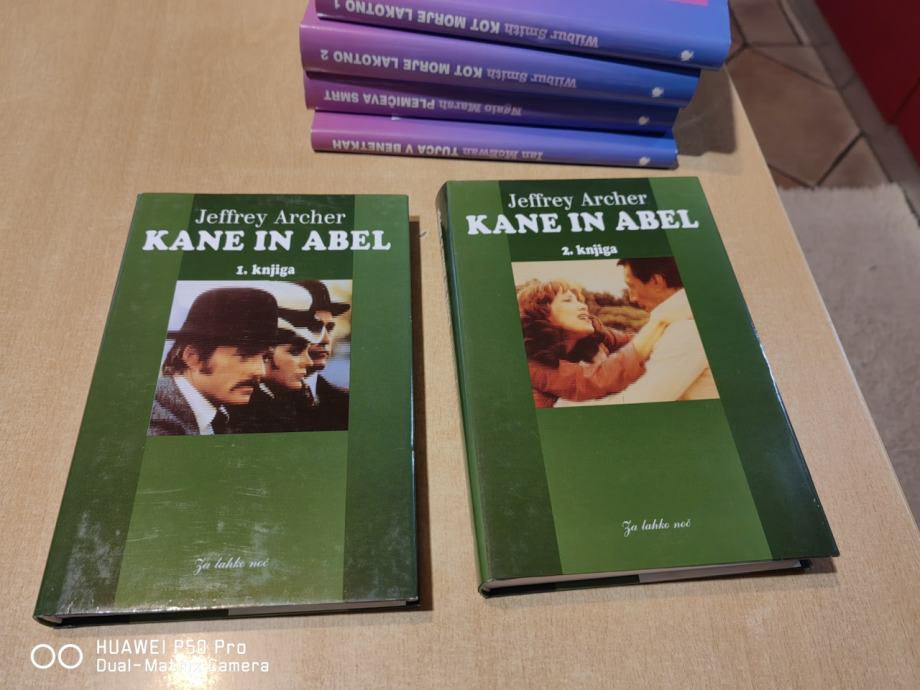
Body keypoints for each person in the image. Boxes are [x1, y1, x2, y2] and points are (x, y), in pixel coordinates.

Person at [559, 257, 716, 407]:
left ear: (657, 282)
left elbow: (639, 401)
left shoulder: (684, 331)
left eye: (632, 286)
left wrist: (565, 405)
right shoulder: (679, 320)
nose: (632, 298)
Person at [519, 280, 674, 408]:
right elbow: (594, 380)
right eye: (568, 300)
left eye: (580, 300)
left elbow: (632, 341)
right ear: (541, 314)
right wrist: (660, 321)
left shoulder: (593, 332)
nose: (583, 306)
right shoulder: (532, 364)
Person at [147, 287, 278, 436]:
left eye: (265, 357)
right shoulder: (156, 425)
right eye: (245, 355)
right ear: (193, 357)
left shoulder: (216, 413)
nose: (261, 371)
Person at [233, 317, 317, 433]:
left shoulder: (296, 401)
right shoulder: (243, 410)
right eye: (295, 352)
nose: (309, 362)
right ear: (266, 353)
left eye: (308, 352)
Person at [293, 280, 351, 431]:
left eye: (329, 328)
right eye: (314, 327)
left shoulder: (346, 403)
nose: (325, 340)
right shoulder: (248, 402)